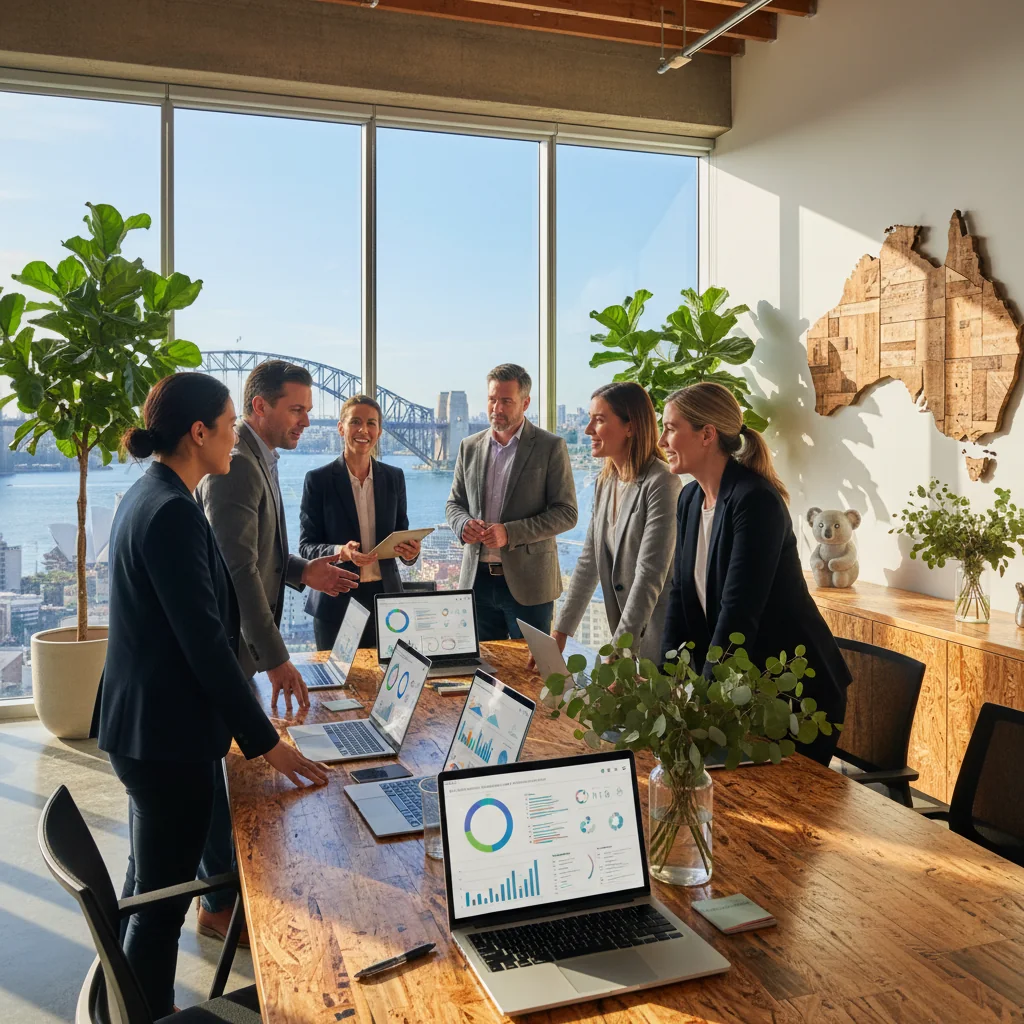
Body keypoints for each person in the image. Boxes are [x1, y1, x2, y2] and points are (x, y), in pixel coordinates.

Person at [91, 373, 329, 1019]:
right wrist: (267, 744)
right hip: (166, 740)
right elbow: (206, 646)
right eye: (228, 427)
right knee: (163, 909)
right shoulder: (171, 512)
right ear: (199, 433)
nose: (235, 440)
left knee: (147, 884)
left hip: (143, 728)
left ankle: (120, 1001)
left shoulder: (154, 496)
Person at [195, 360, 357, 941]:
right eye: (296, 409)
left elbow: (259, 553)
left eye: (310, 411)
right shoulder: (237, 464)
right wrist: (276, 657)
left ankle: (220, 892)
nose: (306, 421)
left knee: (226, 770)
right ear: (258, 407)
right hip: (233, 646)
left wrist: (301, 571)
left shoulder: (258, 458)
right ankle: (218, 904)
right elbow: (237, 567)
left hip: (244, 644)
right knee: (222, 770)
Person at [659, 381, 850, 765]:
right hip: (742, 687)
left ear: (707, 435)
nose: (662, 440)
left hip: (792, 694)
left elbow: (738, 613)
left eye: (671, 428)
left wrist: (703, 702)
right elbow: (680, 596)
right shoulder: (691, 498)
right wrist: (663, 685)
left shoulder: (755, 500)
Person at [548, 382, 681, 665]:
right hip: (625, 632)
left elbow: (649, 575)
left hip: (659, 638)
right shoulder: (604, 482)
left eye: (599, 420)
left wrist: (620, 649)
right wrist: (561, 630)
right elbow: (588, 562)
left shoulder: (662, 483)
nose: (587, 430)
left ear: (630, 427)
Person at [446, 363, 577, 641]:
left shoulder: (549, 446)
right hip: (476, 582)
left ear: (525, 402)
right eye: (492, 399)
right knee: (482, 672)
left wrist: (510, 533)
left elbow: (567, 513)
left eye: (506, 401)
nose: (497, 408)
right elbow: (454, 504)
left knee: (531, 675)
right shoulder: (469, 446)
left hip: (529, 586)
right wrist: (463, 524)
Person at [299, 395, 422, 651]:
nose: (363, 430)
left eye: (371, 423)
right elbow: (306, 546)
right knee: (337, 686)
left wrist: (411, 552)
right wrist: (340, 552)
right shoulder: (318, 480)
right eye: (355, 422)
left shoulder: (394, 478)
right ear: (341, 427)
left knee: (385, 681)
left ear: (379, 431)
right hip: (335, 598)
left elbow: (401, 533)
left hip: (386, 601)